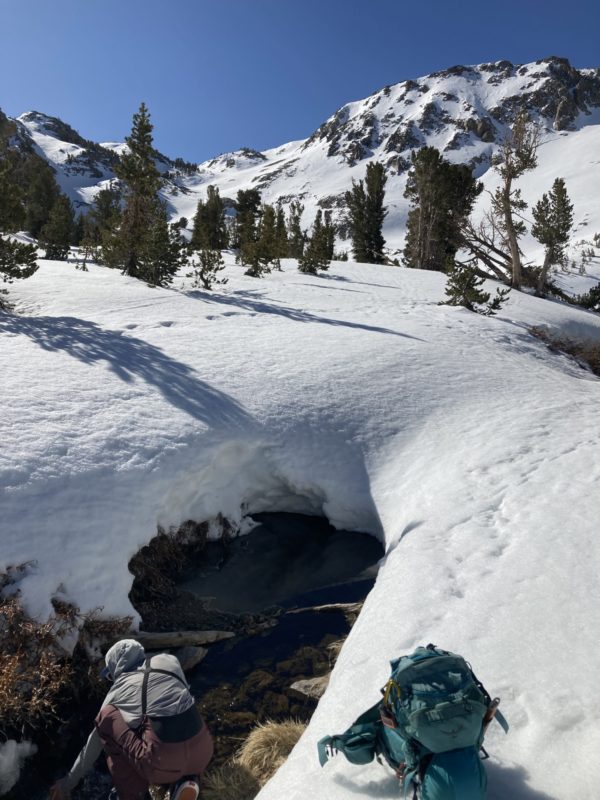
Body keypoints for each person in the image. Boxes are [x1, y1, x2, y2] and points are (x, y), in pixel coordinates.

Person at [50, 638, 213, 800]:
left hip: (162, 762)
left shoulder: (117, 691)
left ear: (115, 668)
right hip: (203, 750)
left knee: (106, 718)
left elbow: (93, 746)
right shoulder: (169, 661)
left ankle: (134, 795)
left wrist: (67, 783)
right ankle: (188, 781)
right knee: (168, 715)